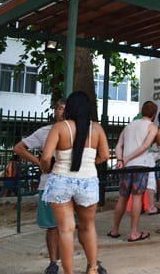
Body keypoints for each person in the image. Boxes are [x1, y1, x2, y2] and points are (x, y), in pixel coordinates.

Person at [39, 91, 110, 274]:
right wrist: (87, 164)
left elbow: (46, 157)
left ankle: (68, 272)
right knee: (88, 226)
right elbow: (104, 156)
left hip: (60, 179)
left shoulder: (60, 128)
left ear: (69, 108)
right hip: (88, 181)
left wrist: (46, 167)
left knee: (65, 229)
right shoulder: (96, 129)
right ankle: (93, 269)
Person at [13, 99, 70, 274]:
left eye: (66, 109)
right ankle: (53, 262)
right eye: (60, 109)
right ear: (55, 111)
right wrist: (38, 162)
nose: (62, 112)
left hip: (71, 184)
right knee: (52, 227)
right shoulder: (45, 132)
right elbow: (19, 148)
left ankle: (86, 261)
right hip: (50, 184)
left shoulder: (76, 131)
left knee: (73, 225)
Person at [108, 101, 159, 242]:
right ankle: (133, 232)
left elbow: (119, 145)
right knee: (137, 197)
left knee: (122, 197)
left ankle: (115, 230)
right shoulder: (152, 127)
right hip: (140, 165)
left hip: (126, 166)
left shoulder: (129, 126)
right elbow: (145, 147)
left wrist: (121, 160)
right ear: (154, 114)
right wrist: (129, 157)